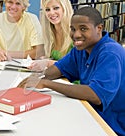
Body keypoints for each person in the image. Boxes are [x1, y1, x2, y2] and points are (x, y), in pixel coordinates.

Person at [18, 7, 125, 136]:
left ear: (99, 28)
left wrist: (46, 84)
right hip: (90, 114)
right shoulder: (81, 49)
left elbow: (96, 95)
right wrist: (36, 78)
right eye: (73, 29)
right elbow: (58, 69)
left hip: (111, 126)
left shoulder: (110, 53)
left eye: (83, 28)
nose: (76, 35)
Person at [29, 0, 74, 70]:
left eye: (56, 8)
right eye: (47, 10)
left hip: (72, 80)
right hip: (56, 76)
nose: (51, 13)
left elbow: (76, 66)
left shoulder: (75, 33)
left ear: (65, 8)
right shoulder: (48, 34)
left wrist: (48, 62)